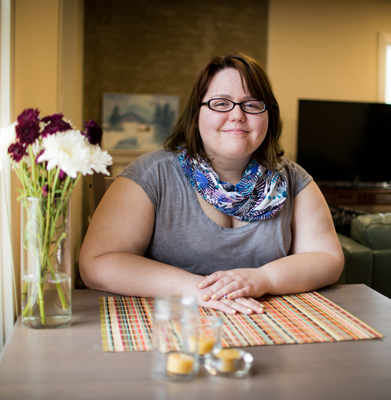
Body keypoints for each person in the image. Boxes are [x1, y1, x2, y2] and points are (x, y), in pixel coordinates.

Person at [79, 53, 344, 315]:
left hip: (265, 324)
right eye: (221, 103)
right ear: (196, 114)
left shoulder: (294, 179)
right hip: (171, 329)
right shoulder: (152, 173)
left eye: (252, 104)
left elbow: (328, 258)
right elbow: (96, 264)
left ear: (269, 117)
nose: (238, 114)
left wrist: (263, 278)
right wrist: (199, 290)